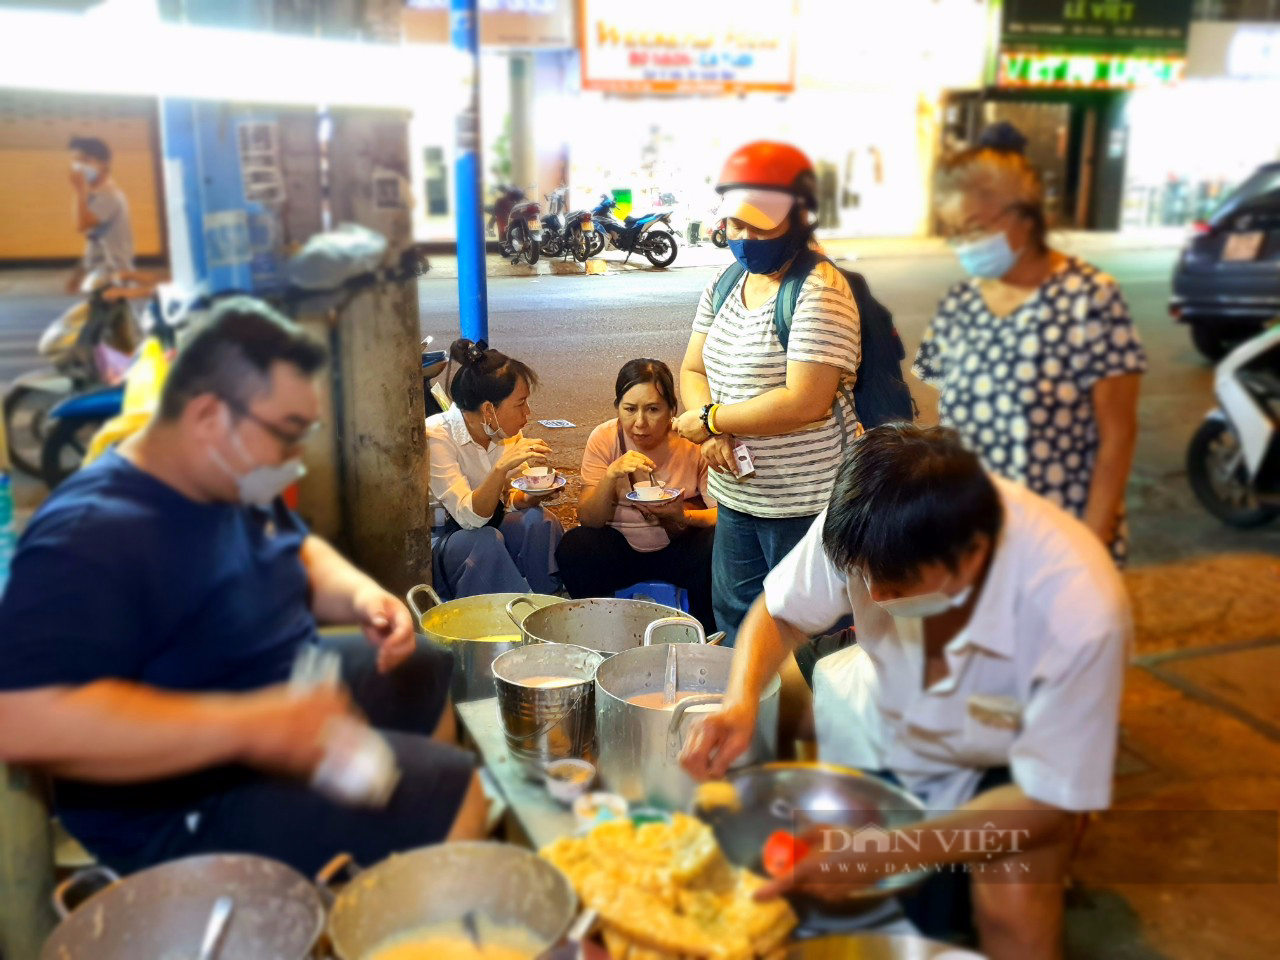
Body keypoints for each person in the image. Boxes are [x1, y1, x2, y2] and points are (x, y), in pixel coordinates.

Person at [0, 298, 488, 876]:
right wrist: (251, 727)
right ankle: (403, 882)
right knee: (456, 790)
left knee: (420, 669)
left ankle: (388, 867)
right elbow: (25, 720)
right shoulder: (91, 530)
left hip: (257, 683)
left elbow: (295, 553)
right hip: (171, 796)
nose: (286, 461)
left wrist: (360, 596)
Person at [681, 425, 1130, 959]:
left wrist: (884, 853)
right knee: (842, 884)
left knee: (1012, 911)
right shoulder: (871, 518)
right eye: (860, 575)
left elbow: (1047, 800)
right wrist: (740, 703)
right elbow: (779, 613)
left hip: (1011, 750)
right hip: (888, 698)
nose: (871, 594)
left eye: (894, 581)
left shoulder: (1077, 604)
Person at [913, 122, 1147, 565]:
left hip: (1064, 541)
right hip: (974, 539)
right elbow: (944, 418)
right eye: (956, 231)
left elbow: (1117, 437)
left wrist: (1089, 552)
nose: (966, 243)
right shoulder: (962, 302)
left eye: (976, 227)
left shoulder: (1091, 297)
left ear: (1023, 214)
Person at [675, 141, 861, 644]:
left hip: (805, 503)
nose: (745, 237)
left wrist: (715, 421)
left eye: (762, 224)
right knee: (737, 624)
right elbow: (693, 368)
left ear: (799, 219)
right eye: (737, 224)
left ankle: (797, 724)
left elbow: (805, 400)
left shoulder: (819, 289)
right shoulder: (726, 279)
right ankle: (746, 720)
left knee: (806, 634)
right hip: (737, 495)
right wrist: (711, 428)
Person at [556, 359, 717, 629]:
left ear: (671, 410)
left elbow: (722, 515)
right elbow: (589, 519)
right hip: (622, 551)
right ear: (617, 407)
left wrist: (684, 516)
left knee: (718, 545)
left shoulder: (692, 442)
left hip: (679, 550)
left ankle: (704, 634)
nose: (640, 422)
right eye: (629, 409)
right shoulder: (604, 438)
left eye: (653, 409)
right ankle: (600, 630)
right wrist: (610, 476)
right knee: (575, 547)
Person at [426, 338, 563, 598]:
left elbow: (512, 498)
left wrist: (533, 494)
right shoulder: (437, 437)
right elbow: (469, 519)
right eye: (520, 403)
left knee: (539, 521)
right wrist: (499, 470)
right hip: (444, 547)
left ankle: (550, 604)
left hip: (489, 529)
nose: (528, 413)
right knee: (485, 540)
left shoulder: (504, 431)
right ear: (489, 409)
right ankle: (514, 621)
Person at [67, 135, 136, 293]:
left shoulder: (109, 195)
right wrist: (80, 272)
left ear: (103, 164)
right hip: (102, 273)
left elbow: (81, 225)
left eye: (85, 160)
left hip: (111, 275)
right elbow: (95, 239)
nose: (78, 166)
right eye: (74, 161)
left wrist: (79, 192)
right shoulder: (95, 195)